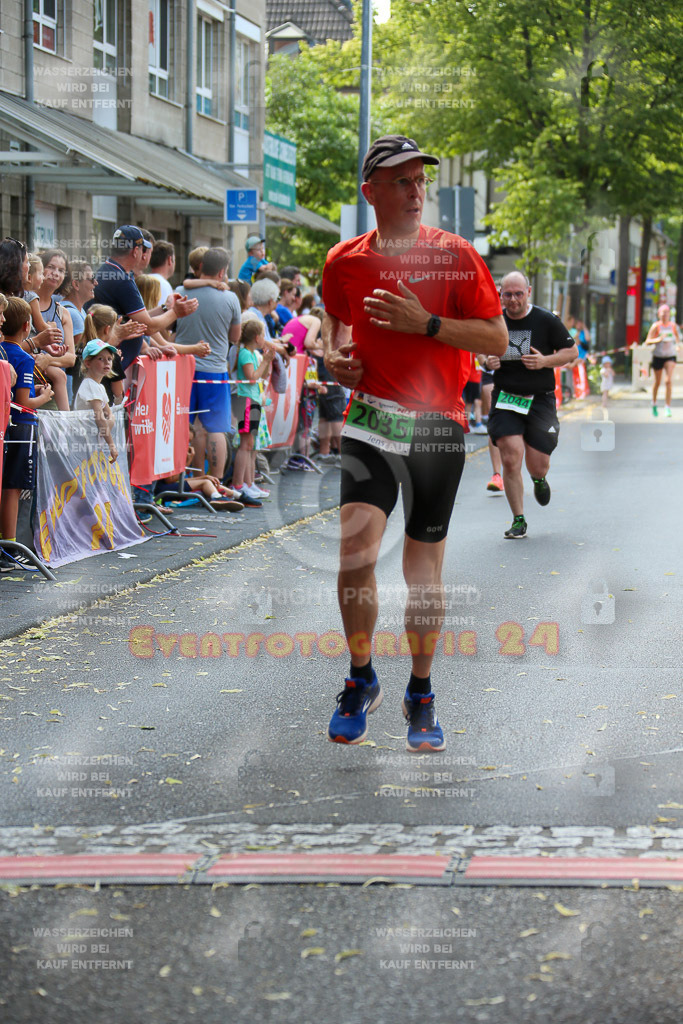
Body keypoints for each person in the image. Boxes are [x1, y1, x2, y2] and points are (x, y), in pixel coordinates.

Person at [322, 134, 507, 752]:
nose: (415, 190)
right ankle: (360, 675)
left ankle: (420, 691)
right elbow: (336, 319)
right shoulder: (345, 260)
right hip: (371, 417)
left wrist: (424, 324)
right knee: (355, 556)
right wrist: (334, 355)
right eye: (400, 180)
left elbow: (497, 340)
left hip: (436, 426)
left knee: (421, 572)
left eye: (420, 179)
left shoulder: (457, 258)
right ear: (370, 191)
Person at [484, 271, 577, 539]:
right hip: (506, 397)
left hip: (540, 399)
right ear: (500, 294)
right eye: (507, 294)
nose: (512, 300)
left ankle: (538, 479)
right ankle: (518, 519)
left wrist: (545, 361)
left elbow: (571, 352)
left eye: (518, 294)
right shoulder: (495, 320)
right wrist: (486, 361)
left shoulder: (546, 320)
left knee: (538, 464)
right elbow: (479, 349)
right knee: (511, 456)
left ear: (529, 292)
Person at [173, 247, 241, 479]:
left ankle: (191, 477)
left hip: (183, 369)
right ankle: (217, 481)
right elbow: (235, 337)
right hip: (214, 371)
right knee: (215, 429)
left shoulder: (180, 291)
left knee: (184, 426)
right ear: (222, 271)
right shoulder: (230, 298)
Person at [0, 297, 54, 570]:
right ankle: (8, 546)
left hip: (4, 425)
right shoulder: (21, 357)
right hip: (21, 426)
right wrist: (44, 397)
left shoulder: (2, 350)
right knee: (12, 487)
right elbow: (22, 402)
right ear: (26, 326)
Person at [231, 319, 274, 506]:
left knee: (250, 444)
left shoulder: (250, 353)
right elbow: (251, 378)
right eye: (264, 334)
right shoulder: (245, 354)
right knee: (245, 444)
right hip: (246, 400)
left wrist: (267, 362)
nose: (265, 338)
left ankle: (248, 483)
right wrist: (264, 361)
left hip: (253, 399)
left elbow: (261, 376)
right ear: (257, 338)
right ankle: (238, 484)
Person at [73, 339, 119, 464]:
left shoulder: (99, 387)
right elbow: (100, 418)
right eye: (101, 359)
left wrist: (107, 423)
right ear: (88, 363)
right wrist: (111, 445)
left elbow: (109, 416)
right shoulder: (90, 385)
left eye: (109, 359)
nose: (107, 362)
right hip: (84, 445)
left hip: (92, 445)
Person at [644, 303, 680, 417]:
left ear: (669, 314)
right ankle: (654, 403)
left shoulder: (673, 326)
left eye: (667, 313)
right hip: (658, 355)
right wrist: (658, 339)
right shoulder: (656, 326)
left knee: (668, 381)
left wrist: (678, 346)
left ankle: (667, 407)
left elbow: (677, 339)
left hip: (670, 355)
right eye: (663, 313)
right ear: (659, 314)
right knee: (657, 382)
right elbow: (647, 341)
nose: (665, 315)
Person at [478, 349, 503, 491]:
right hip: (491, 376)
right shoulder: (488, 326)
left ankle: (518, 472)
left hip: (518, 378)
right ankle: (497, 475)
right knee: (495, 424)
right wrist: (486, 363)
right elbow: (479, 352)